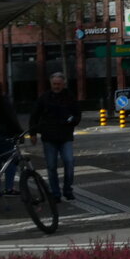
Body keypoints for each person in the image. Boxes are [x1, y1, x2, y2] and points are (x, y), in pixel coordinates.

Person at [29, 72, 81, 203]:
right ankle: (55, 193)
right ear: (51, 84)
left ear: (63, 84)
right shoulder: (44, 98)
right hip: (49, 136)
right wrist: (33, 133)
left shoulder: (70, 97)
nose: (56, 86)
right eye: (54, 84)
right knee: (51, 166)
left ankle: (68, 190)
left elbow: (77, 115)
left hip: (65, 136)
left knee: (69, 162)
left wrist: (71, 121)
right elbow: (34, 115)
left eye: (58, 84)